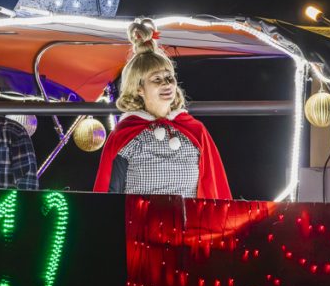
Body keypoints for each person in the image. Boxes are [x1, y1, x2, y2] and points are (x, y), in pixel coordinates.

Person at [94, 18, 230, 199]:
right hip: (140, 226)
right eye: (157, 79)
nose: (167, 84)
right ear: (139, 88)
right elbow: (109, 199)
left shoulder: (196, 131)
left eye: (169, 78)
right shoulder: (124, 135)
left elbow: (215, 194)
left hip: (187, 226)